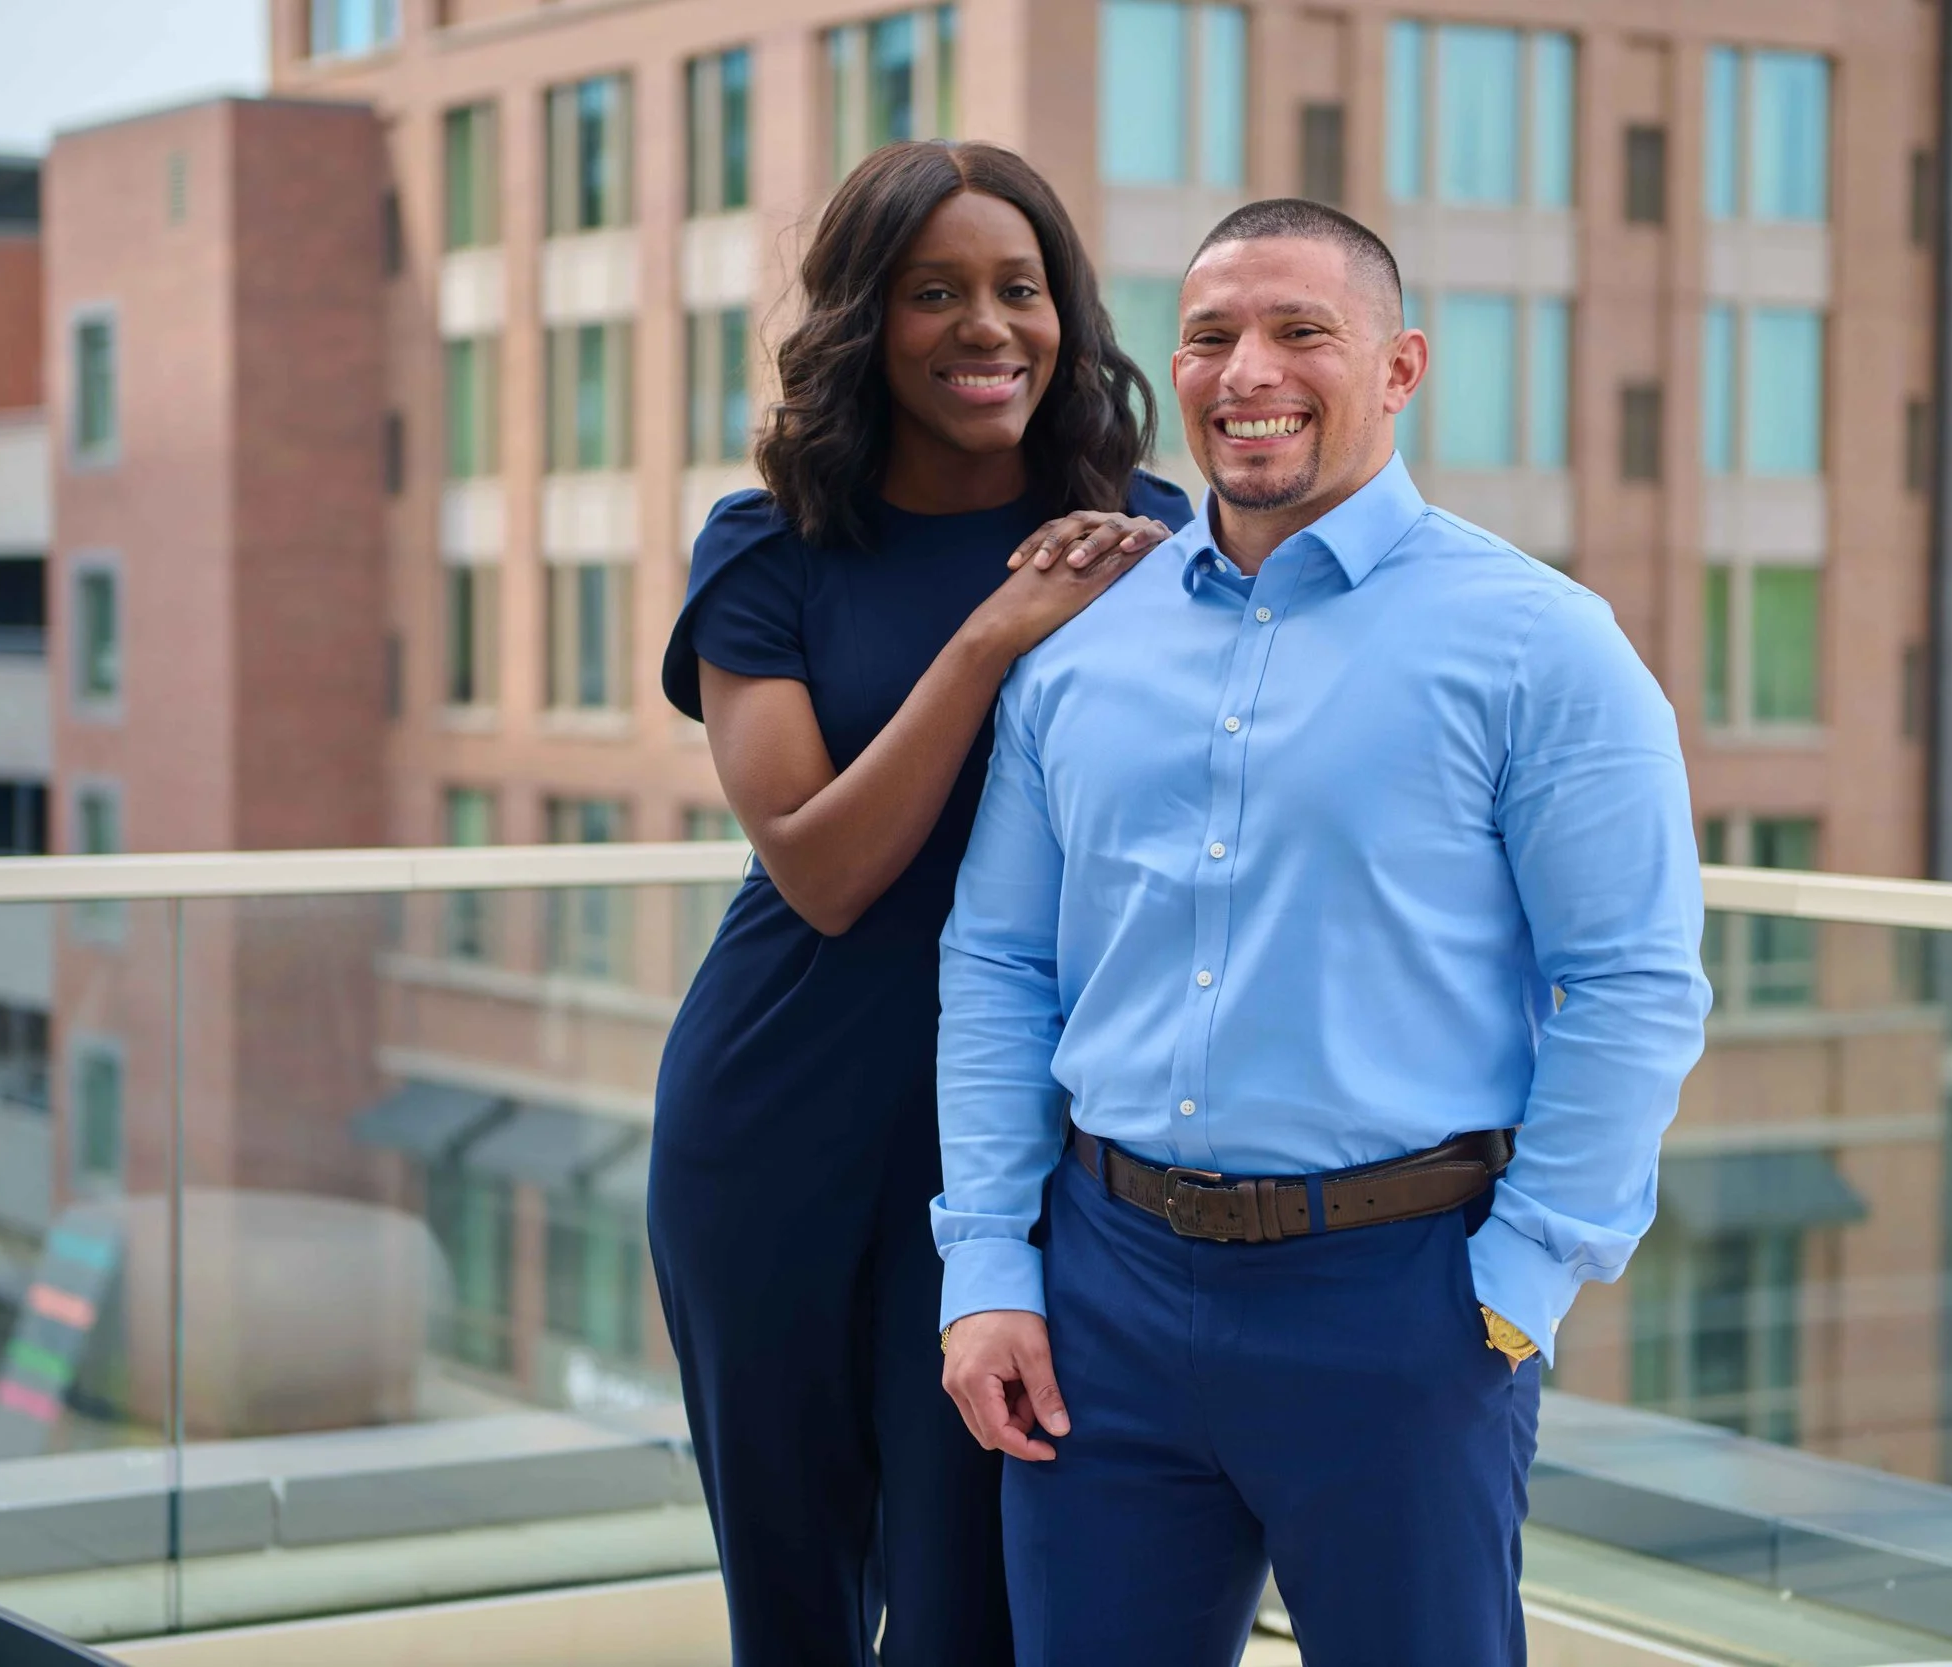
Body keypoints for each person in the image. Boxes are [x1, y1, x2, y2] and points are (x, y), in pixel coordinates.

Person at [934, 197, 1711, 1665]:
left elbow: (1632, 983)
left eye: (1303, 331)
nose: (1249, 372)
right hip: (1099, 1294)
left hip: (1402, 1305)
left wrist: (1517, 1288)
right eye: (1214, 335)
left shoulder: (1540, 642)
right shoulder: (1082, 637)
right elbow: (998, 965)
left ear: (1402, 367)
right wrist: (987, 1267)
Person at [651, 139, 1191, 1666]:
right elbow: (816, 868)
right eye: (931, 292)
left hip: (1024, 1156)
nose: (986, 326)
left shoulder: (1154, 543)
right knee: (797, 1608)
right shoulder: (772, 544)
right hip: (775, 1130)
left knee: (972, 1601)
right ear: (862, 326)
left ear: (1066, 314)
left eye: (1018, 288)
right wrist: (993, 634)